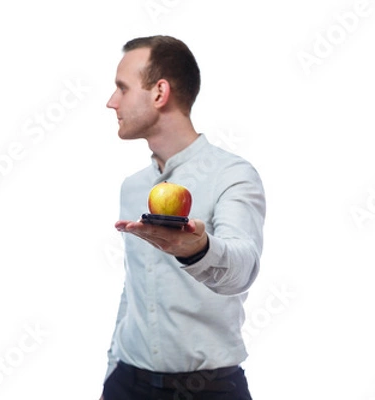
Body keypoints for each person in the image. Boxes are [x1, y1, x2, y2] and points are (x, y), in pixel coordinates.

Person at [101, 35, 266, 400]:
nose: (111, 102)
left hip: (210, 389)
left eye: (122, 89)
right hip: (127, 383)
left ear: (160, 93)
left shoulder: (232, 175)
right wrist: (112, 369)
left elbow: (244, 267)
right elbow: (135, 289)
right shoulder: (133, 188)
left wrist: (199, 249)